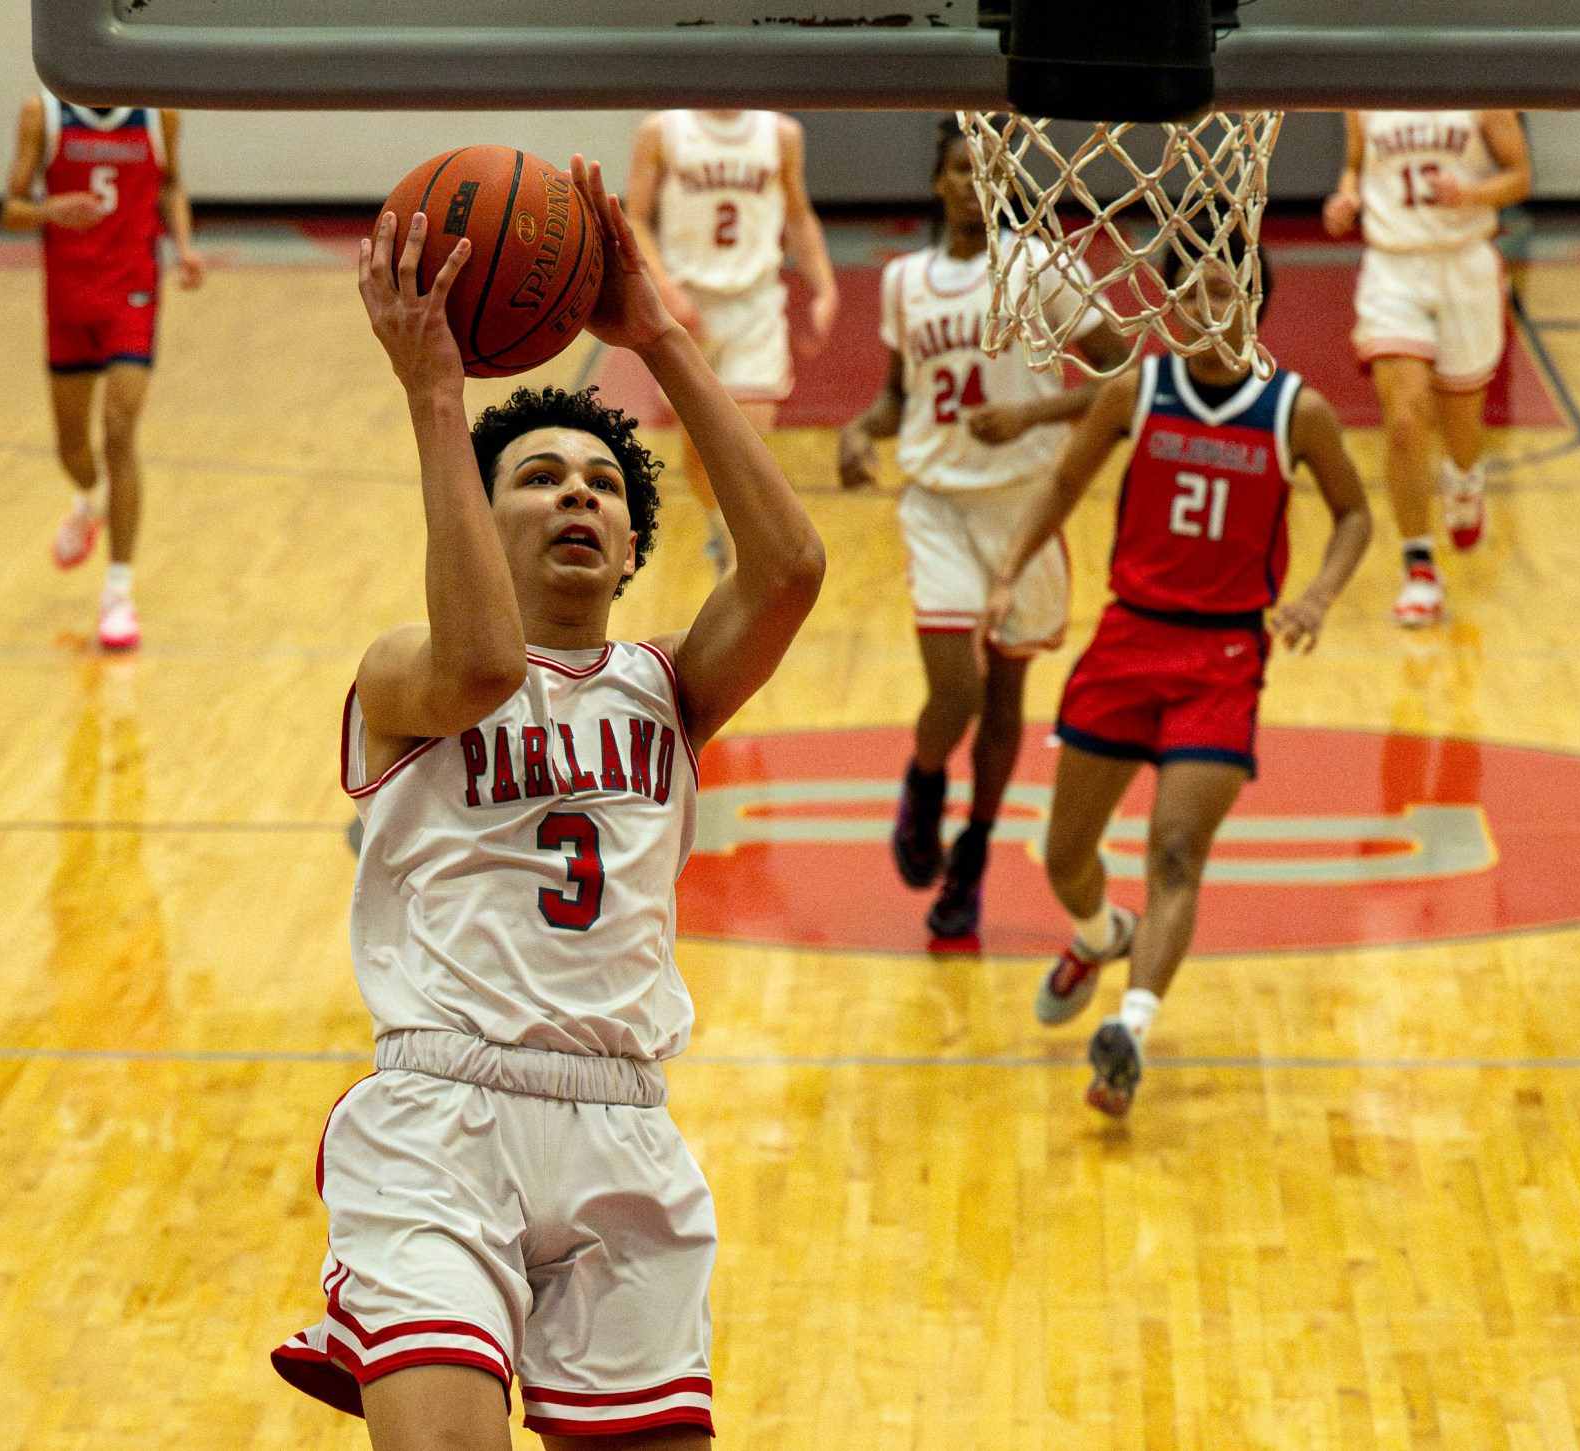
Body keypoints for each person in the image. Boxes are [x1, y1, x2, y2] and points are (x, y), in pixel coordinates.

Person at [271, 158, 824, 1448]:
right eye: (534, 476)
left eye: (599, 482)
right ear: (480, 509)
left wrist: (661, 337)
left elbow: (790, 566)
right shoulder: (402, 674)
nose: (575, 489)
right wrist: (433, 398)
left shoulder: (666, 690)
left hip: (622, 1129)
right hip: (438, 1123)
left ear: (633, 546)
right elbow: (481, 667)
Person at [983, 245, 1372, 1117]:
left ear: (1254, 305)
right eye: (1186, 293)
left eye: (1220, 293)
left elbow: (1356, 513)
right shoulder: (1136, 390)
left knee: (1173, 851)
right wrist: (1010, 568)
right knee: (1063, 856)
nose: (1199, 308)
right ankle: (1097, 936)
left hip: (1225, 657)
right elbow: (1063, 480)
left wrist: (1316, 595)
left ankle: (1131, 1029)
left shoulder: (1295, 410)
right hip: (1127, 641)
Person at [839, 119, 1129, 940]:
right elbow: (900, 397)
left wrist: (1035, 410)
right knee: (956, 691)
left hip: (1027, 506)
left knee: (1005, 698)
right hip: (936, 503)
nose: (974, 182)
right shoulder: (903, 280)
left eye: (988, 172)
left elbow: (1124, 372)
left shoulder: (1039, 266)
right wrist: (863, 430)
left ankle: (973, 853)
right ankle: (925, 781)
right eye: (961, 168)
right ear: (939, 180)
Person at [1, 89, 204, 651]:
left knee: (119, 433)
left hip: (132, 290)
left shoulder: (159, 111)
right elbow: (10, 208)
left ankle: (118, 592)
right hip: (68, 295)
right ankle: (90, 504)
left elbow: (170, 184)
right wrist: (49, 210)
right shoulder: (41, 113)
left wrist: (184, 246)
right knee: (72, 447)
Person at [1322, 110, 1531, 627]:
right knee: (1406, 418)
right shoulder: (1366, 95)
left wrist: (1472, 194)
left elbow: (1521, 177)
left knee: (1462, 431)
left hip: (1465, 264)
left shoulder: (1480, 91)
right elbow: (1355, 166)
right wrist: (1345, 197)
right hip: (1392, 268)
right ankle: (1418, 567)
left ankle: (1463, 478)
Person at [625, 108, 838, 574]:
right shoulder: (662, 130)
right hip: (689, 307)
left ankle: (743, 552)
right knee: (700, 455)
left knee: (747, 449)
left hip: (755, 306)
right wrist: (666, 289)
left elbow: (799, 217)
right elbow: (635, 219)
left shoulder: (781, 133)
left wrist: (824, 286)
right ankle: (719, 525)